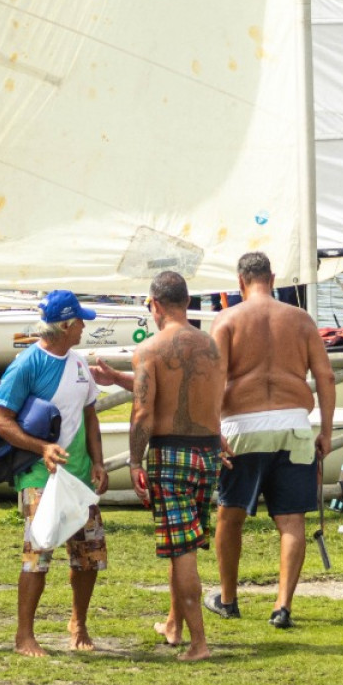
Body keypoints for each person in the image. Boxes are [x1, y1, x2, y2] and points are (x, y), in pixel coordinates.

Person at [201, 252, 333, 631]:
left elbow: (214, 379)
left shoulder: (227, 320)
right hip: (294, 423)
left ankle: (228, 599)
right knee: (291, 520)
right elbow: (325, 377)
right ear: (272, 278)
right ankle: (282, 605)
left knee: (231, 514)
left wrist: (214, 430)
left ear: (240, 281)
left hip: (243, 425)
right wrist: (325, 429)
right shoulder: (302, 320)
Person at [0, 290, 108, 657]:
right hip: (39, 476)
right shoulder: (27, 364)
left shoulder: (78, 364)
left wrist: (99, 462)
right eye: (81, 321)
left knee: (89, 556)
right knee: (37, 556)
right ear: (67, 325)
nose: (85, 327)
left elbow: (91, 416)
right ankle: (24, 636)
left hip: (79, 478)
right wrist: (41, 448)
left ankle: (78, 624)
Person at [130, 270, 227, 661]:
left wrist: (135, 459)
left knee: (181, 549)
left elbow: (143, 412)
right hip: (208, 453)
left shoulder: (149, 350)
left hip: (170, 453)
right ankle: (173, 624)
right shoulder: (213, 347)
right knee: (182, 543)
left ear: (155, 304)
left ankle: (199, 643)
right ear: (187, 302)